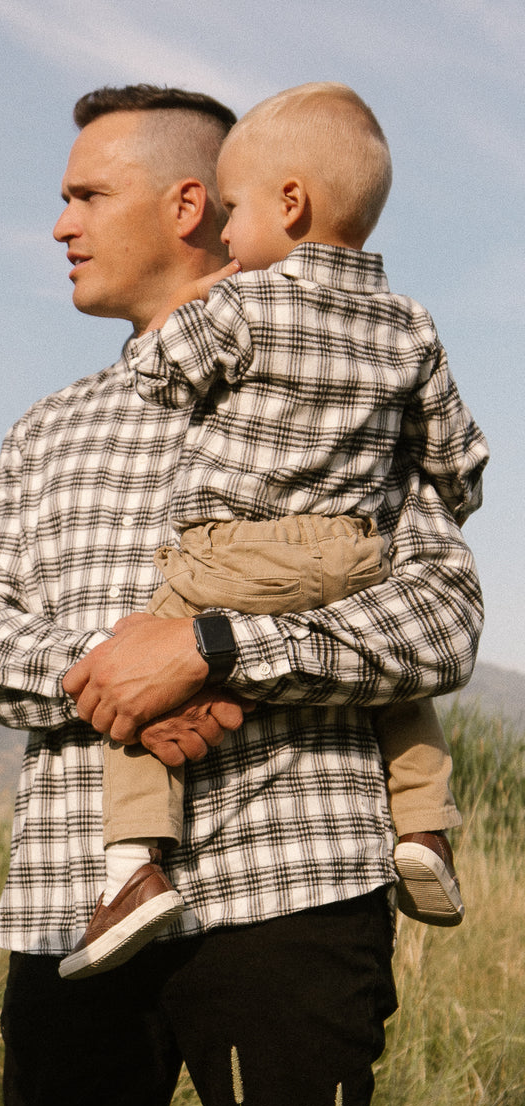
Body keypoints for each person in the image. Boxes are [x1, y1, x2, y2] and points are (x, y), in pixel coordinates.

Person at [0, 83, 482, 1106]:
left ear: (195, 206)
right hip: (78, 894)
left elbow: (443, 614)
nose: (54, 224)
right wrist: (109, 678)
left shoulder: (357, 392)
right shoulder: (46, 434)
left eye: (82, 195)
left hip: (295, 884)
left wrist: (223, 650)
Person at [62, 82, 487, 980]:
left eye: (234, 211)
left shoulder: (246, 304)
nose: (228, 232)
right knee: (397, 691)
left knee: (140, 641)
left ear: (287, 204)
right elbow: (457, 453)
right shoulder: (410, 323)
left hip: (232, 551)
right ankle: (423, 831)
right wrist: (422, 485)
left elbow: (163, 376)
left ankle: (134, 865)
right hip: (352, 545)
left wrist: (205, 301)